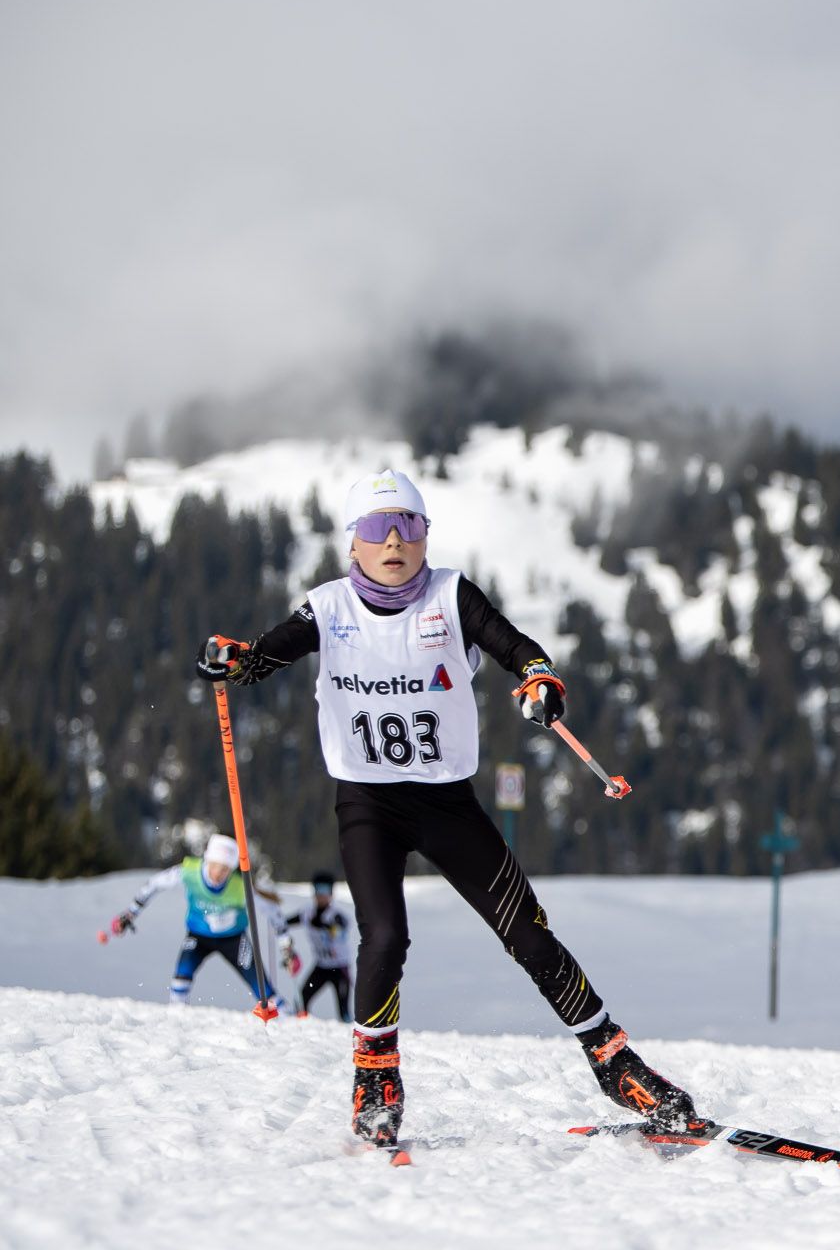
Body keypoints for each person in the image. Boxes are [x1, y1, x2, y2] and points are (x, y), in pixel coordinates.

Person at [195, 467, 698, 1148]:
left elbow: (518, 649)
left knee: (529, 934)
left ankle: (616, 1064)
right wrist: (234, 659)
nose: (394, 540)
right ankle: (375, 1079)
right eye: (378, 527)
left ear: (426, 535)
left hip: (446, 804)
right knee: (385, 936)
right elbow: (262, 657)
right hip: (368, 804)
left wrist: (540, 680)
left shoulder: (450, 595)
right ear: (353, 542)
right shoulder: (329, 607)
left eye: (409, 525)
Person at [103, 832, 286, 1010]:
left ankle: (288, 1017)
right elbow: (155, 884)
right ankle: (177, 1018)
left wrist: (287, 948)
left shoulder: (240, 885)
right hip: (199, 937)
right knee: (181, 976)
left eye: (224, 869)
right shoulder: (190, 872)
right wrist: (130, 913)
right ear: (207, 860)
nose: (218, 873)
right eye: (214, 866)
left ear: (231, 870)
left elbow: (272, 911)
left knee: (263, 989)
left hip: (234, 940)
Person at [280, 870, 355, 1021]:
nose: (321, 895)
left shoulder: (336, 914)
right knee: (303, 997)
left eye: (325, 890)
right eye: (318, 890)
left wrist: (326, 926)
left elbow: (341, 926)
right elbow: (285, 922)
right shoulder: (308, 913)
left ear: (331, 893)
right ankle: (303, 1026)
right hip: (321, 967)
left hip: (339, 968)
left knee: (343, 1011)